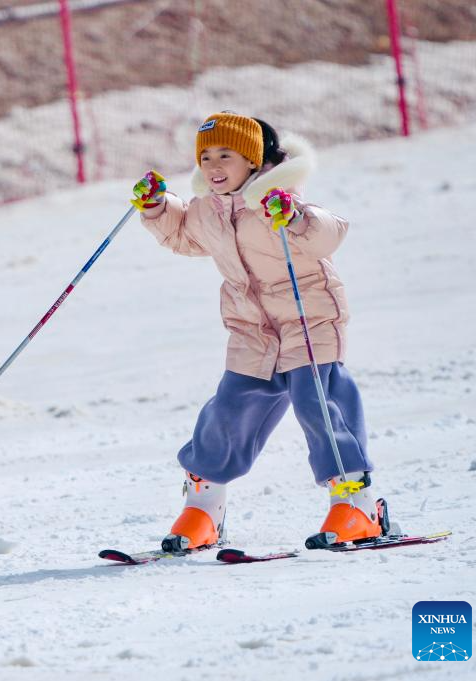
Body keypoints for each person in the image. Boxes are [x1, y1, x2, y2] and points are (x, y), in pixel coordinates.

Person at [131, 112, 388, 552]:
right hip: (252, 329)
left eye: (226, 155)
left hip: (309, 320)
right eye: (206, 155)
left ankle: (358, 506)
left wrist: (294, 218)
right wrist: (157, 206)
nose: (213, 164)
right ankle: (203, 509)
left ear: (252, 160)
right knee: (228, 412)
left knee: (319, 405)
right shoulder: (207, 210)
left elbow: (329, 232)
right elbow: (183, 236)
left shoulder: (278, 200)